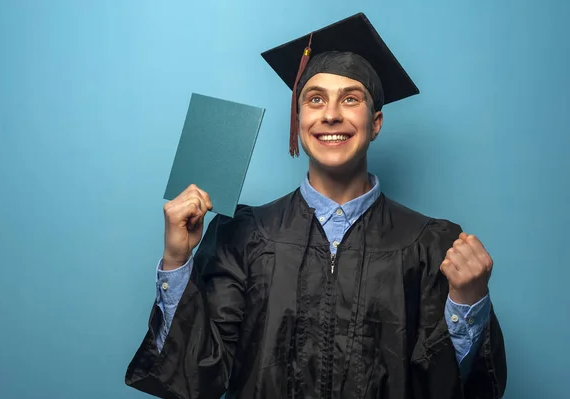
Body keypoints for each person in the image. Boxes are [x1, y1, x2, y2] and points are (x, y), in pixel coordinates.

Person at [125, 12, 507, 399]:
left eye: (351, 99)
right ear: (299, 118)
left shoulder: (430, 244)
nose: (330, 114)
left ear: (376, 123)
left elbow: (445, 389)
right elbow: (199, 377)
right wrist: (176, 262)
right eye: (316, 98)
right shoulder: (243, 236)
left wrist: (468, 302)